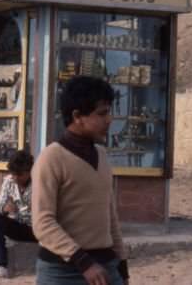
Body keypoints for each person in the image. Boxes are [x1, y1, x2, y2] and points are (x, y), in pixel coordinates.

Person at [33, 76, 128, 285]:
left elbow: (110, 216)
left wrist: (122, 266)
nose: (109, 120)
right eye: (102, 113)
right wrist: (83, 262)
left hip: (106, 268)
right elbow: (43, 223)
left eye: (108, 112)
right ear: (77, 116)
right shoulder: (51, 158)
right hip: (61, 272)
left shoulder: (102, 155)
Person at [0, 149, 37, 279]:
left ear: (28, 172)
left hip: (38, 228)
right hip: (19, 226)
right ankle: (1, 266)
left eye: (19, 175)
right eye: (13, 174)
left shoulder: (40, 182)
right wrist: (5, 209)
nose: (15, 178)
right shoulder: (9, 181)